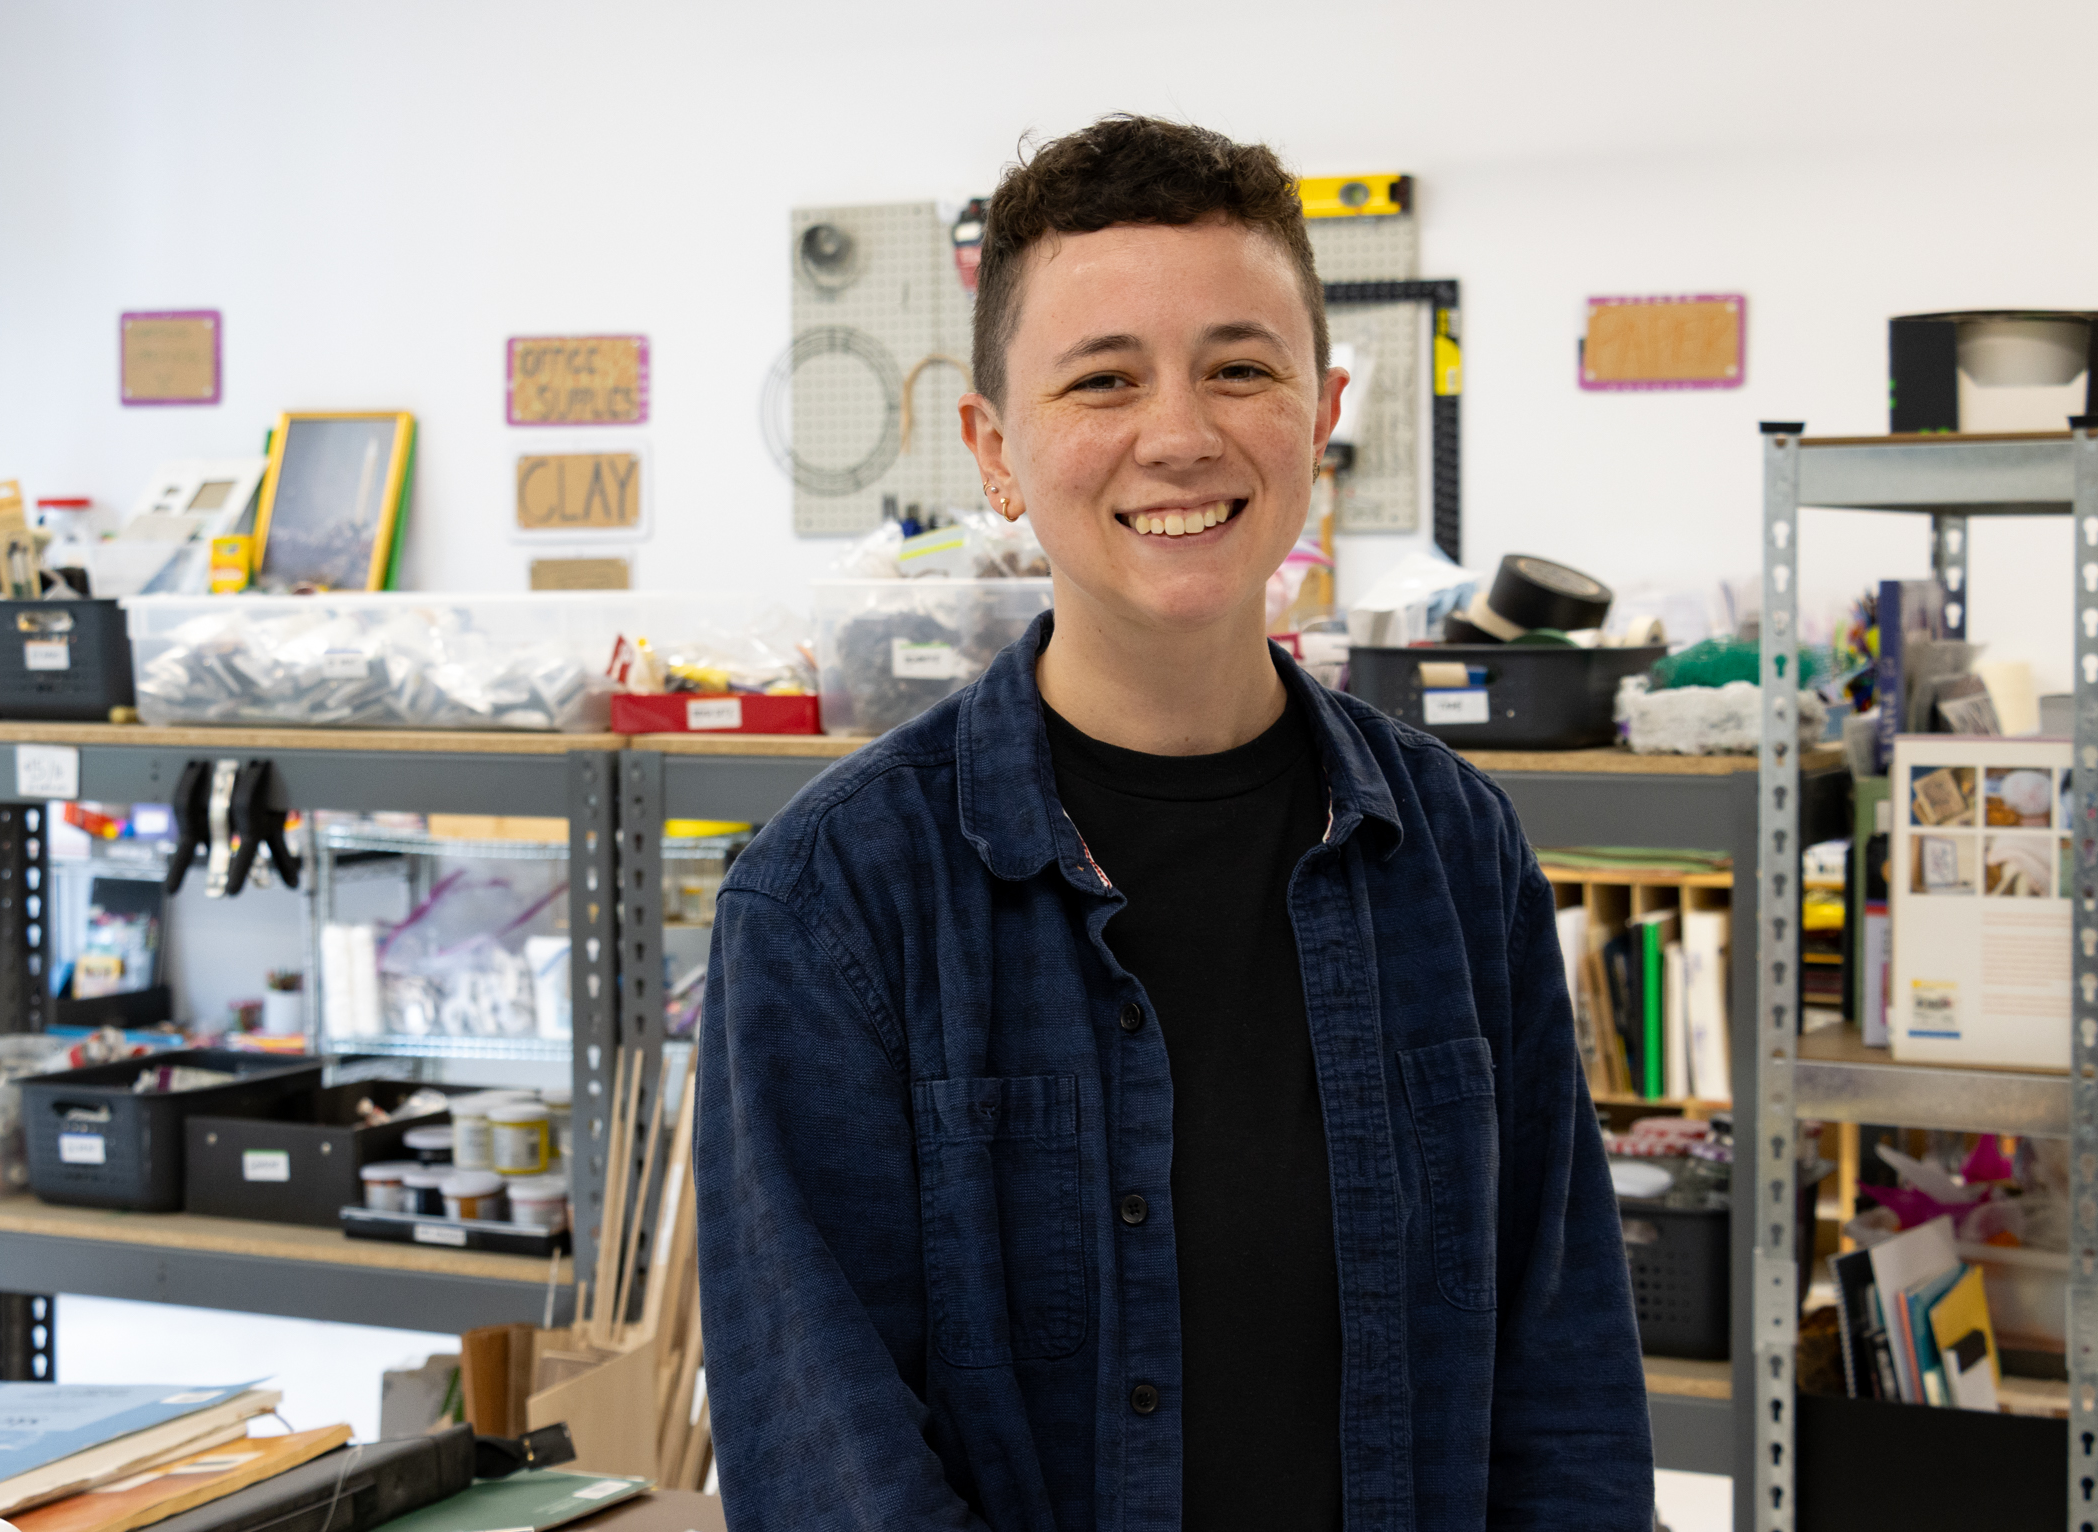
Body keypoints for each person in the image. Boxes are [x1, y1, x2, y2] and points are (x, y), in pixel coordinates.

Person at [696, 115, 1651, 1532]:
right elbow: (829, 1467)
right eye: (1103, 379)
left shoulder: (1456, 851)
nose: (1182, 436)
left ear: (1319, 415)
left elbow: (1563, 1384)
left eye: (1239, 369)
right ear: (995, 451)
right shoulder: (835, 899)